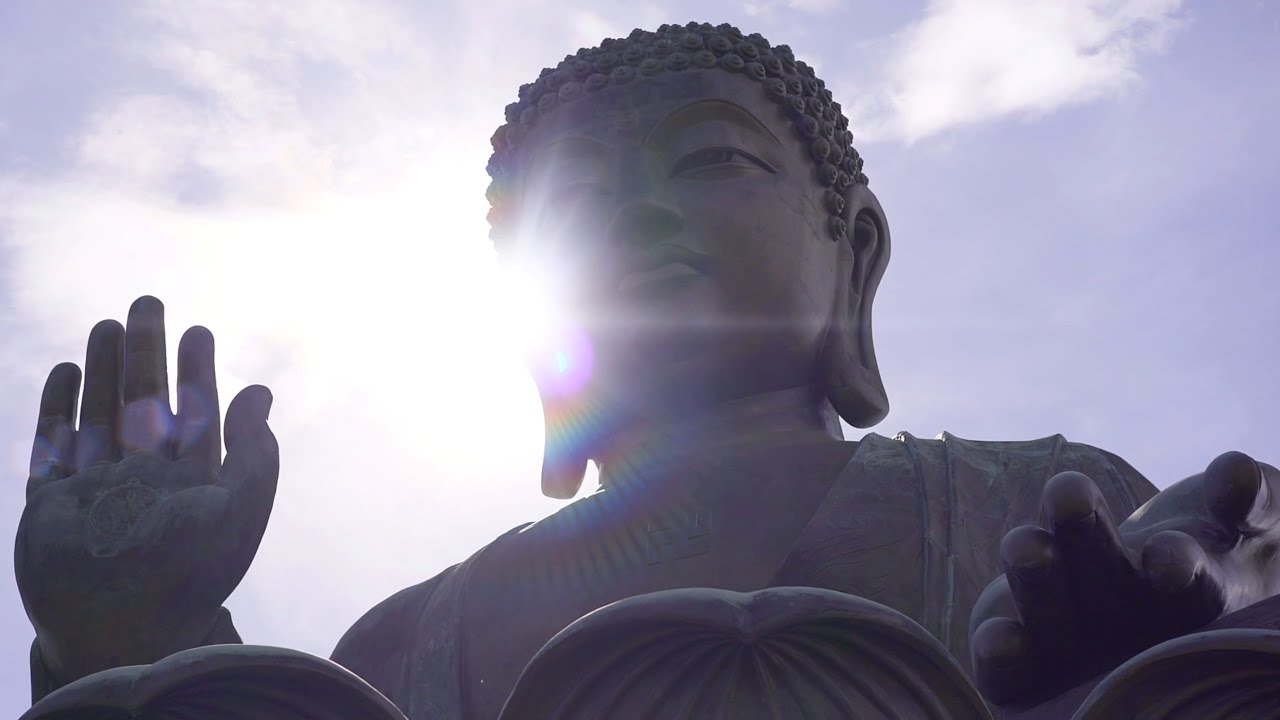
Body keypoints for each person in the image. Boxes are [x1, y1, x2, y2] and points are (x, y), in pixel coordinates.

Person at [15, 21, 1279, 719]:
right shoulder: (405, 642)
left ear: (854, 254)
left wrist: (1198, 607)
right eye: (576, 204)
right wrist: (130, 646)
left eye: (708, 163)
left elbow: (1231, 568)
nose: (633, 221)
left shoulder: (1042, 508)